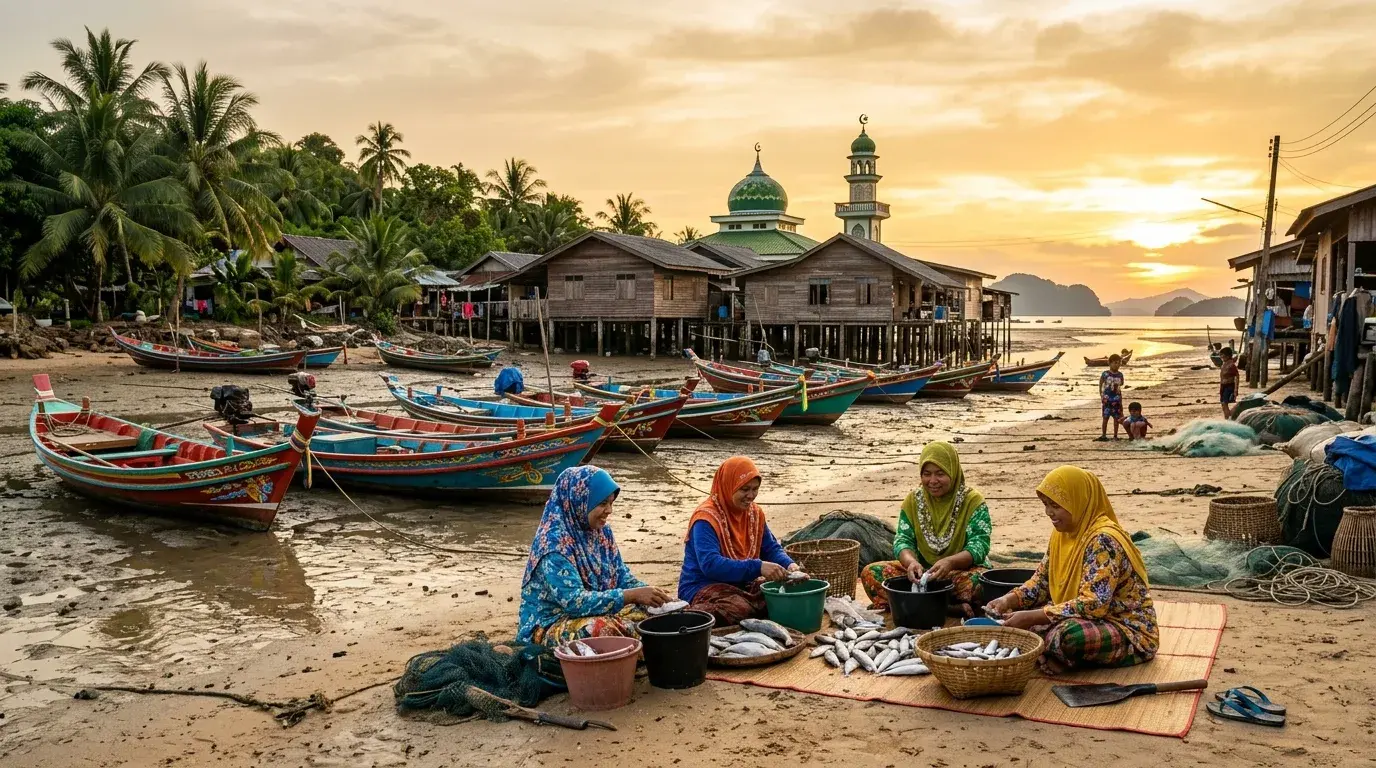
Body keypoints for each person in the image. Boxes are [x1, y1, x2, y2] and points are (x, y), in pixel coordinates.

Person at [985, 466, 1158, 675]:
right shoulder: (1062, 534)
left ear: (1077, 502)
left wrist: (1033, 617)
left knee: (1068, 636)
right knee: (1017, 621)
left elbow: (1094, 605)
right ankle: (1051, 652)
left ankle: (1064, 656)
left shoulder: (1103, 540)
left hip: (1124, 627)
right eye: (1046, 505)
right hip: (1082, 615)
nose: (1049, 512)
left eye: (1056, 506)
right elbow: (1041, 581)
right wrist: (1008, 600)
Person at [518, 466, 671, 647]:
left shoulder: (601, 532)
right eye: (602, 504)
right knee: (600, 629)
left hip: (598, 610)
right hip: (552, 624)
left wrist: (652, 594)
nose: (609, 511)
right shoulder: (552, 544)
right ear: (579, 501)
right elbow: (575, 602)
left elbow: (621, 576)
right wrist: (630, 596)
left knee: (655, 613)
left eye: (611, 503)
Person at [860, 442, 992, 617]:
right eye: (926, 474)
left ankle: (920, 603)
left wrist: (950, 562)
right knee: (871, 573)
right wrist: (911, 563)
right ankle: (946, 607)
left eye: (940, 474)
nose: (933, 481)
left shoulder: (973, 501)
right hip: (923, 573)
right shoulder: (913, 501)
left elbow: (979, 545)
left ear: (952, 472)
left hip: (960, 572)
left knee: (981, 583)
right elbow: (903, 540)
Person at [679, 456, 801, 626]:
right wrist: (758, 567)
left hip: (741, 585)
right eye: (744, 489)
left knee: (779, 592)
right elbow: (710, 565)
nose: (750, 496)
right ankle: (691, 617)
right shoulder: (706, 519)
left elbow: (771, 548)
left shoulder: (755, 514)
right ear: (729, 486)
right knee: (739, 609)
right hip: (702, 586)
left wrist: (790, 566)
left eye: (755, 489)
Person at [1098, 354, 1124, 440]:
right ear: (1110, 363)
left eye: (1119, 363)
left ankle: (1115, 435)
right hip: (1107, 399)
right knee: (1105, 417)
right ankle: (1104, 435)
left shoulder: (1120, 375)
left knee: (1116, 418)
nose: (1117, 365)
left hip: (1116, 400)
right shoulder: (1105, 374)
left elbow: (1122, 384)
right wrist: (1101, 395)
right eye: (1115, 363)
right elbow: (1101, 383)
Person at [1219, 347, 1239, 419]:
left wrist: (1236, 390)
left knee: (1225, 403)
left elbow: (1237, 377)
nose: (1221, 357)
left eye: (1223, 356)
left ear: (1227, 356)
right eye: (1221, 356)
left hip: (1229, 386)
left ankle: (1229, 418)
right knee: (1223, 404)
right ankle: (1228, 417)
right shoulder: (1225, 364)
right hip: (1223, 386)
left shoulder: (1231, 365)